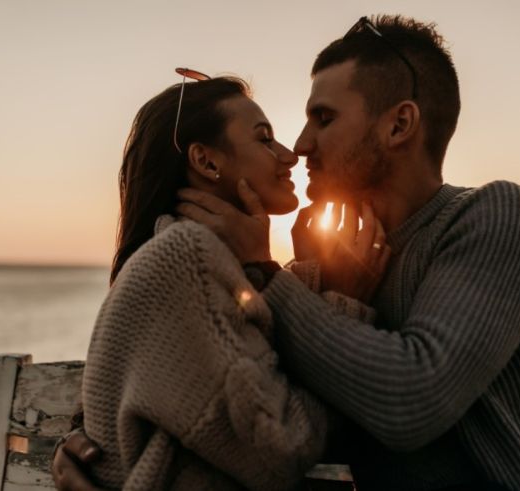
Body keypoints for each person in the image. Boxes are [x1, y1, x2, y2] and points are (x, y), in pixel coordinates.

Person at [57, 14, 520, 491]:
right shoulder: (343, 270)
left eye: (324, 118)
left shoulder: (496, 218)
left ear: (399, 125)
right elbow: (218, 365)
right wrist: (93, 438)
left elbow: (410, 401)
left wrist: (268, 273)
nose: (302, 144)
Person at [73, 73, 390, 491]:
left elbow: (249, 366)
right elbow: (283, 445)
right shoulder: (186, 256)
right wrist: (344, 303)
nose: (289, 155)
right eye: (264, 139)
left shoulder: (190, 257)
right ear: (207, 162)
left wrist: (297, 275)